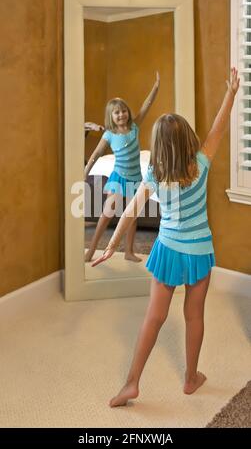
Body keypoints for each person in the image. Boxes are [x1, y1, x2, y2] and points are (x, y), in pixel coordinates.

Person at [91, 68, 240, 407]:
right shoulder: (200, 164)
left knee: (153, 318)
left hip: (168, 250)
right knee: (195, 315)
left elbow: (128, 213)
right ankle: (190, 378)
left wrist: (109, 247)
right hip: (199, 250)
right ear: (189, 139)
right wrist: (230, 94)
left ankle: (131, 383)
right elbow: (218, 127)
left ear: (157, 145)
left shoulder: (153, 176)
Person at [84, 72, 160, 262]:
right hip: (118, 177)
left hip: (135, 177)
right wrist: (85, 171)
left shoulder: (135, 126)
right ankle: (92, 249)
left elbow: (145, 107)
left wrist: (155, 88)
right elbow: (96, 154)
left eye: (123, 111)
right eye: (116, 112)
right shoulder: (109, 134)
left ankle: (128, 251)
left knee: (132, 215)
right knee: (107, 213)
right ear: (111, 116)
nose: (121, 114)